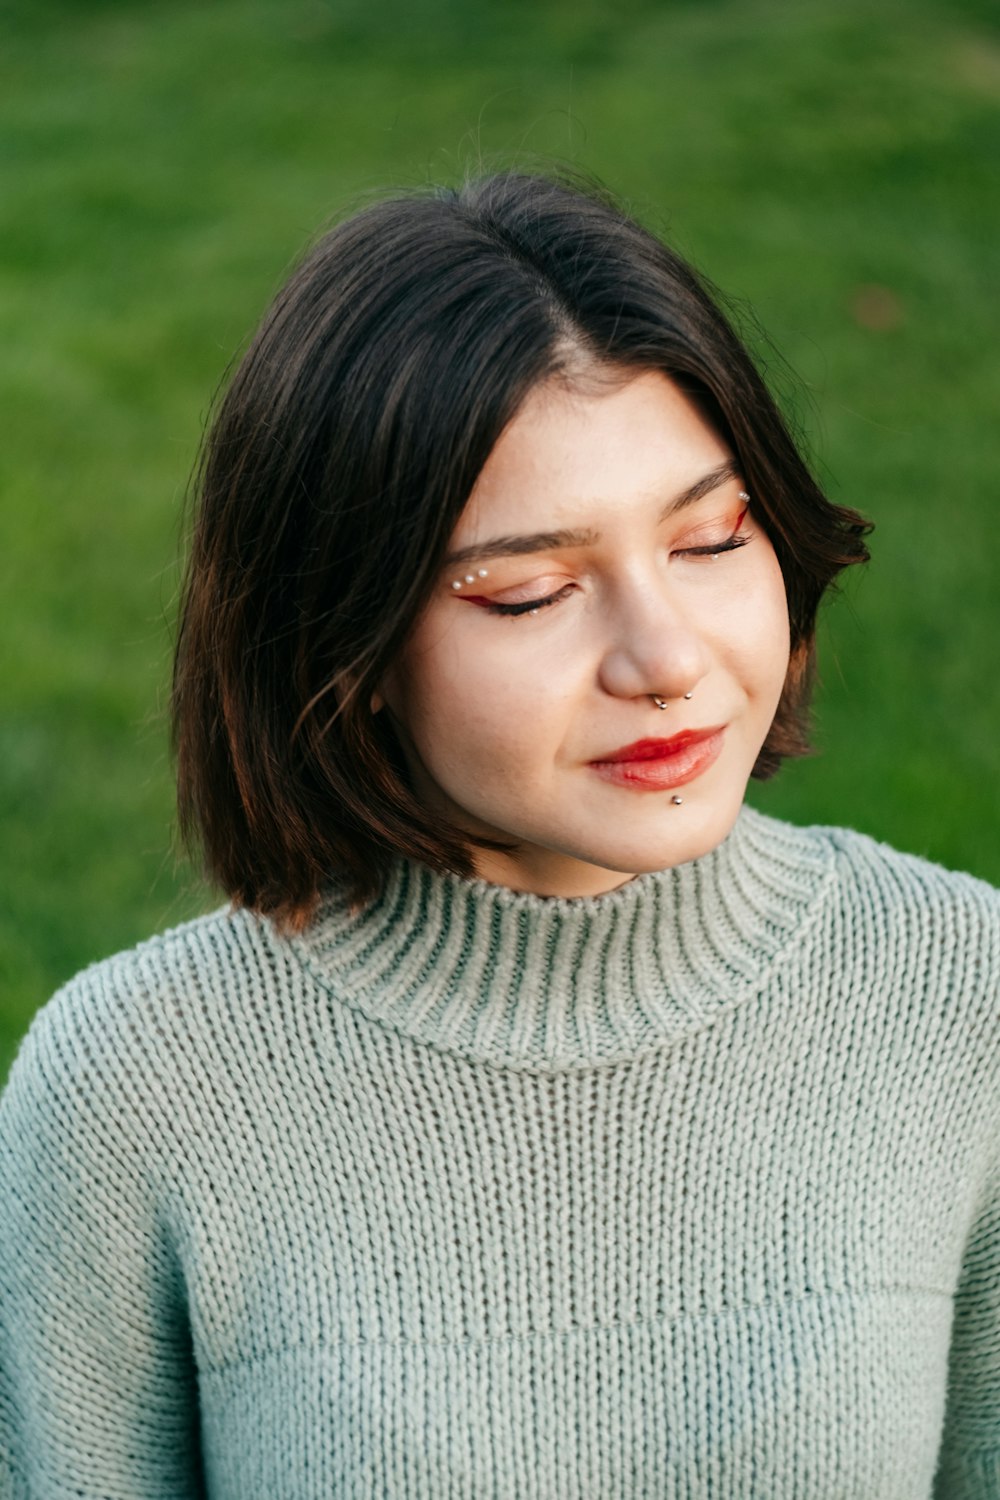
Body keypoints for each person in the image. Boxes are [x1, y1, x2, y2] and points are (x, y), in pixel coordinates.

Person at [0, 170, 996, 1500]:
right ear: (343, 645)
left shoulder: (957, 991)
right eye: (530, 593)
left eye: (713, 536)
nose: (666, 657)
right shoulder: (132, 1088)